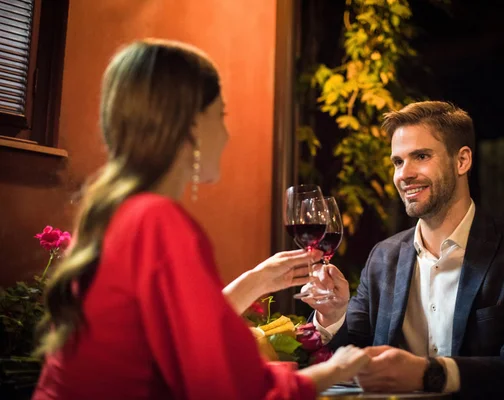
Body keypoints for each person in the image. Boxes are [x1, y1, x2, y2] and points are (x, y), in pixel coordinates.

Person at [31, 39, 370, 400]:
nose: (226, 134)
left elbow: (168, 337)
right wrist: (335, 370)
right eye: (220, 115)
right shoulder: (158, 221)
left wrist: (255, 283)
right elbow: (231, 386)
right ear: (191, 124)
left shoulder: (118, 211)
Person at [303, 101, 504, 399]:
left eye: (421, 156)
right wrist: (334, 316)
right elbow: (353, 358)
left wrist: (428, 374)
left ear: (462, 160)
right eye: (398, 162)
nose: (404, 174)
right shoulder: (383, 257)